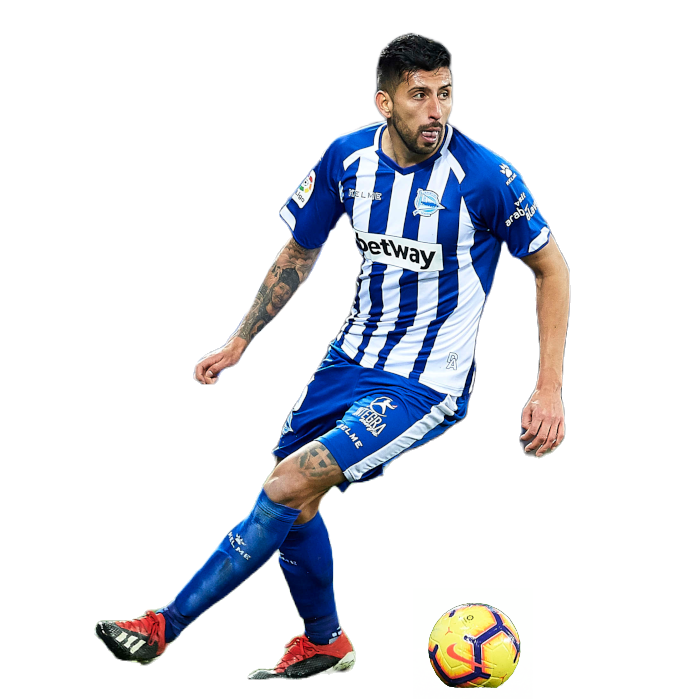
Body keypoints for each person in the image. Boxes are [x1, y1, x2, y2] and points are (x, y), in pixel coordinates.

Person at [94, 33, 569, 678]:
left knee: (285, 486)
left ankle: (161, 627)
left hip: (424, 382)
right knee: (295, 500)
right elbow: (300, 251)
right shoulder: (347, 157)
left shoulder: (485, 178)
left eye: (446, 93)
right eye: (419, 95)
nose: (436, 110)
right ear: (384, 102)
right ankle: (327, 644)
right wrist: (240, 340)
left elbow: (552, 270)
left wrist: (548, 388)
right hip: (348, 359)